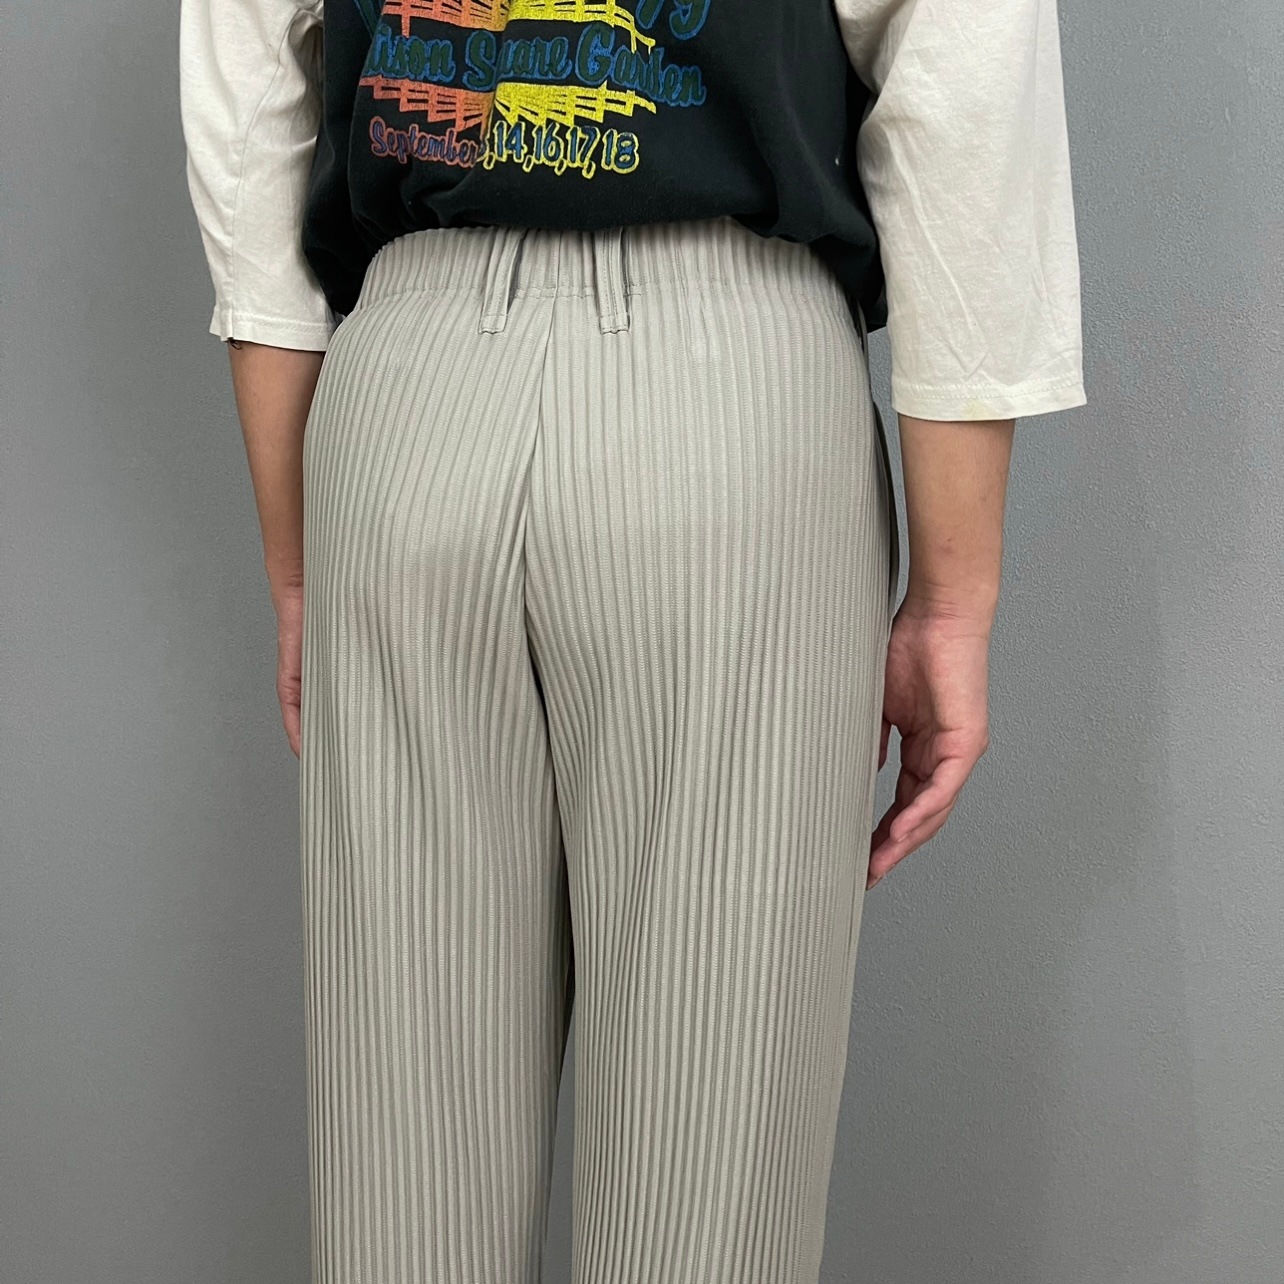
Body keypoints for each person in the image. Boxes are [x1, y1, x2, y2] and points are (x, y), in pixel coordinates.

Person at [179, 0, 1085, 1279]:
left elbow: (248, 111)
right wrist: (953, 598)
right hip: (730, 390)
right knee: (705, 1183)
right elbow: (962, 101)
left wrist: (297, 567)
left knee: (402, 1165)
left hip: (406, 387)